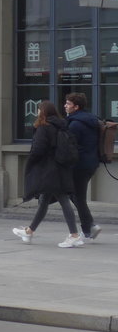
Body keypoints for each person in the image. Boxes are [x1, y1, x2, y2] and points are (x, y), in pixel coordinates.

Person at [14, 99, 84, 248]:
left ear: (43, 112)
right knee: (44, 200)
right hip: (60, 168)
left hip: (48, 170)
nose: (38, 112)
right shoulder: (62, 125)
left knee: (64, 200)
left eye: (39, 109)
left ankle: (74, 235)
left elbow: (38, 149)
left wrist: (31, 162)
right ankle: (29, 231)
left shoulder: (44, 127)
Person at [65, 92, 103, 242]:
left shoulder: (75, 124)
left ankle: (89, 228)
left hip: (79, 165)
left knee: (77, 196)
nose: (65, 106)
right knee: (76, 195)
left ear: (76, 107)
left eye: (68, 104)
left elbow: (71, 147)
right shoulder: (91, 120)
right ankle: (89, 227)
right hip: (91, 163)